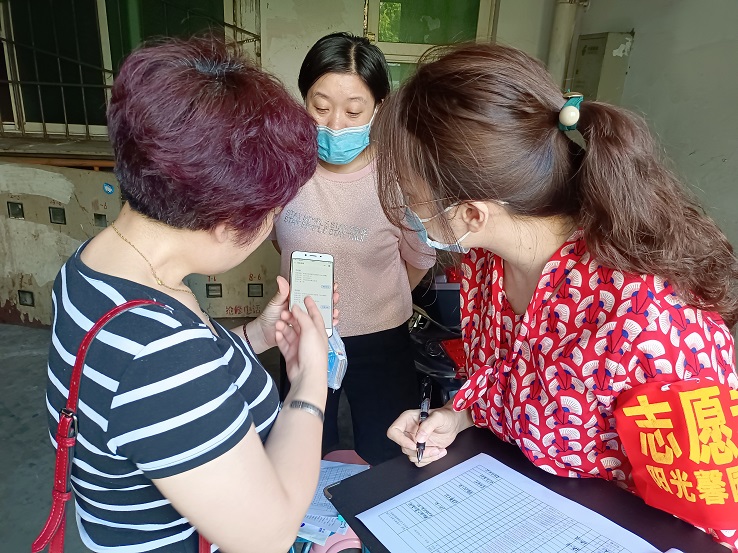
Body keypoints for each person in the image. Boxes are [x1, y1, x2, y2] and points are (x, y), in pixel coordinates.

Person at [376, 42, 738, 550]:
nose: (410, 210)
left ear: (472, 213)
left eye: (413, 197)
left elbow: (710, 525)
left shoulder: (648, 323)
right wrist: (457, 417)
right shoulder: (486, 266)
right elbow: (507, 386)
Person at [44, 36, 338, 553]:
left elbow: (164, 390)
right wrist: (310, 382)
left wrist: (256, 335)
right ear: (227, 224)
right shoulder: (159, 353)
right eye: (270, 214)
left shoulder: (96, 265)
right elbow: (267, 536)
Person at [271, 32, 436, 466]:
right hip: (301, 336)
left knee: (388, 454)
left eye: (353, 110)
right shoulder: (283, 171)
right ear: (303, 101)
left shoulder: (398, 177)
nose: (335, 125)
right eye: (320, 107)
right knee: (303, 453)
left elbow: (419, 259)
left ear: (377, 107)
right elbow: (278, 242)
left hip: (382, 342)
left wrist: (372, 302)